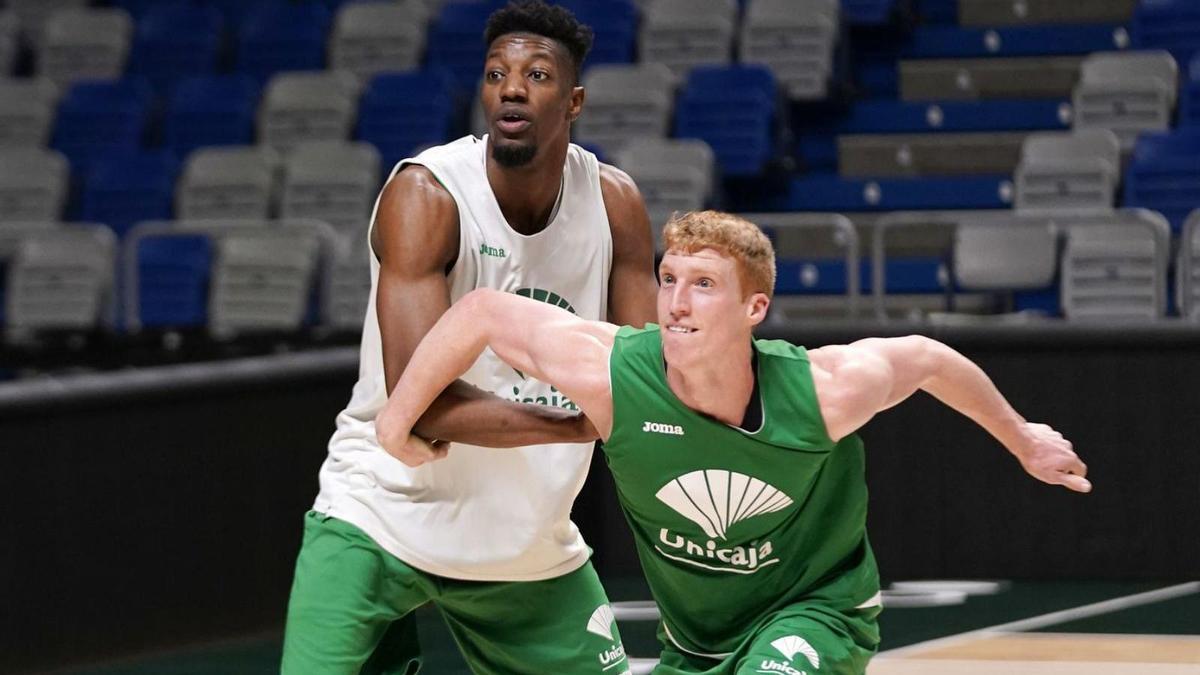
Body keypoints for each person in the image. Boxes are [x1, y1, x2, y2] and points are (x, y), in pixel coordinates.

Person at [376, 210, 1092, 675]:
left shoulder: (822, 391)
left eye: (705, 284)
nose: (677, 301)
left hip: (817, 609)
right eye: (669, 279)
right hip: (694, 641)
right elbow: (480, 312)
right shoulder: (614, 373)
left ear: (755, 307)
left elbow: (928, 358)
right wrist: (395, 420)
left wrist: (1023, 436)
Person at [281, 1, 658, 672]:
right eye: (495, 73)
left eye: (537, 75)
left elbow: (645, 377)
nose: (512, 87)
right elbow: (423, 404)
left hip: (526, 537)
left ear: (574, 101)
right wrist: (579, 422)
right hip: (380, 515)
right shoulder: (427, 196)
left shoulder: (614, 203)